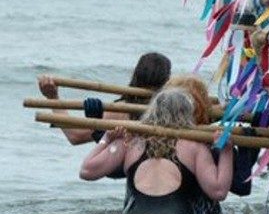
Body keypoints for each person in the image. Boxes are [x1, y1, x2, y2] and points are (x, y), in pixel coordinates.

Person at [79, 88, 234, 214]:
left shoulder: (130, 142)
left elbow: (87, 171)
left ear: (151, 111)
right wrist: (226, 151)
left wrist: (106, 139)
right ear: (188, 114)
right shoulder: (195, 148)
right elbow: (218, 191)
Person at [165, 73, 261, 205]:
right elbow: (241, 186)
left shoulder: (151, 139)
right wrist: (248, 142)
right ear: (203, 107)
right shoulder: (207, 146)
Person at [38, 51, 172, 145]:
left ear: (136, 75)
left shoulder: (121, 111)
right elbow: (76, 136)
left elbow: (75, 135)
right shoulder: (176, 112)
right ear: (167, 80)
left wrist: (53, 98)